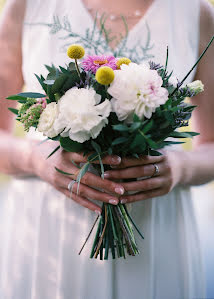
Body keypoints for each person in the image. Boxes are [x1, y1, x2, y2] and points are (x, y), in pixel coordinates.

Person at [0, 0, 213, 298]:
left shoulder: (195, 12)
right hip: (50, 234)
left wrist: (179, 168)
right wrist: (36, 160)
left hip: (156, 230)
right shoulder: (27, 6)